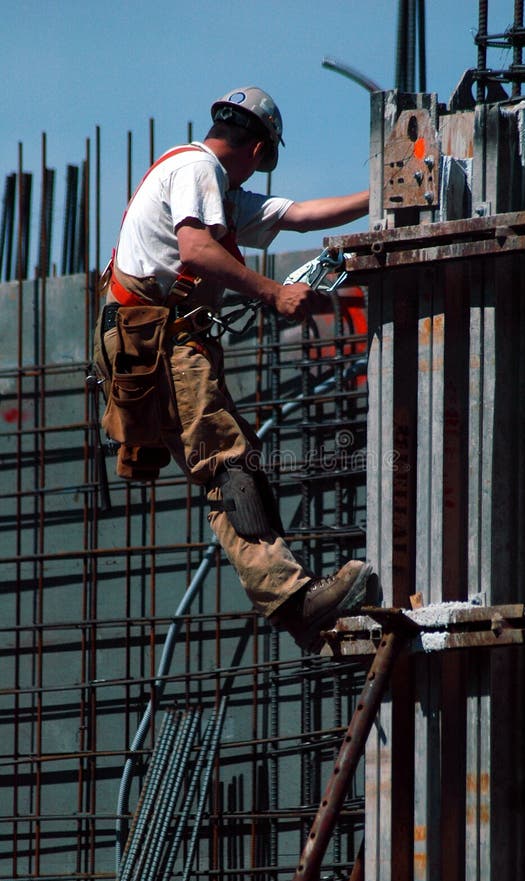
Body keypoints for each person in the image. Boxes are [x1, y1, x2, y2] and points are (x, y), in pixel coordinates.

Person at [94, 86, 372, 651]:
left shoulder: (214, 186)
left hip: (154, 342)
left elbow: (297, 215)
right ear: (260, 149)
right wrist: (273, 292)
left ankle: (295, 605)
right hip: (160, 344)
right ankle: (294, 600)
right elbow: (195, 250)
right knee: (228, 470)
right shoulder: (198, 168)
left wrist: (382, 196)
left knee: (235, 466)